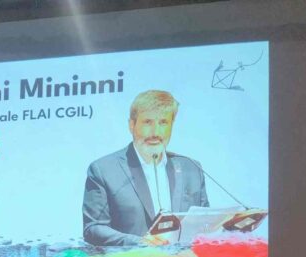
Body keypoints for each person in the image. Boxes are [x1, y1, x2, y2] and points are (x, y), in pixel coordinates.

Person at [82, 90, 210, 246]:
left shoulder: (191, 168)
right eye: (148, 122)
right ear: (132, 125)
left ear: (172, 125)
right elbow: (93, 228)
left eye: (163, 122)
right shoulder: (104, 170)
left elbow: (205, 223)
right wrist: (140, 242)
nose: (155, 132)